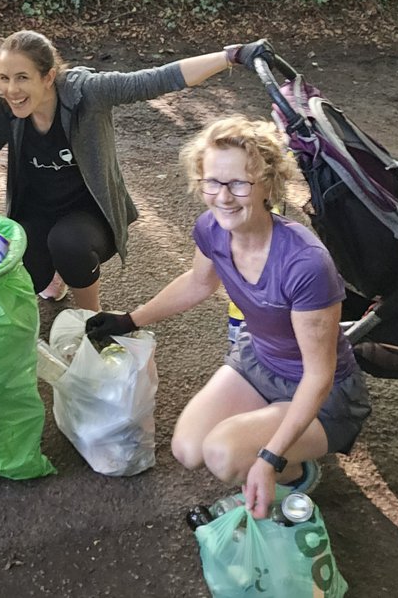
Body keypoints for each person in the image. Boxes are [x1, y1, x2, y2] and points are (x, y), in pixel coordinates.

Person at [85, 115, 371, 520]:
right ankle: (275, 441)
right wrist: (129, 320)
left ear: (268, 185)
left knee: (224, 454)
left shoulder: (306, 264)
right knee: (188, 449)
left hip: (323, 393)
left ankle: (295, 473)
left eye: (239, 183)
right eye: (213, 182)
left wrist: (270, 459)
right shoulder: (213, 229)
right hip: (258, 360)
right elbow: (198, 283)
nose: (224, 197)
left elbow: (318, 375)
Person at [0, 30, 237, 310]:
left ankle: (90, 317)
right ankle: (53, 277)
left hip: (88, 216)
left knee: (68, 244)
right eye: (4, 78)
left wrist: (230, 56)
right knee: (14, 257)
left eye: (22, 77)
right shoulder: (6, 107)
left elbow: (156, 80)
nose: (11, 90)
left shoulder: (87, 92)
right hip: (37, 214)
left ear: (48, 77)